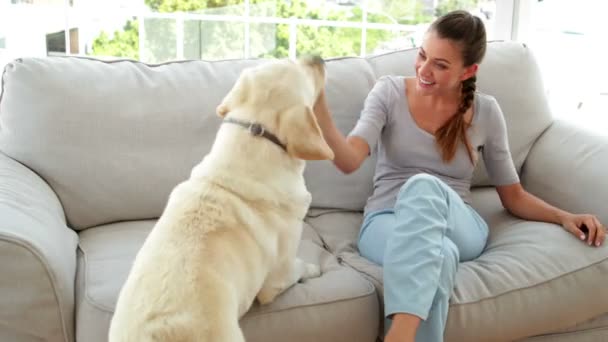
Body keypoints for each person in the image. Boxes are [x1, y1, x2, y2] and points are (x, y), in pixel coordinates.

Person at [312, 9, 606, 342]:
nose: (424, 70)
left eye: (440, 65)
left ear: (469, 71)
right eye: (422, 55)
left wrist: (565, 216)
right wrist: (321, 112)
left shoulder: (487, 112)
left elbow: (513, 196)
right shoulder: (389, 93)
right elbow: (350, 159)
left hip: (459, 224)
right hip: (385, 222)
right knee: (440, 256)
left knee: (423, 187)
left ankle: (401, 334)